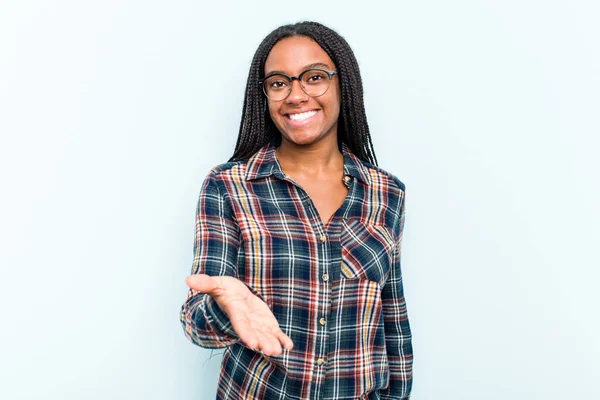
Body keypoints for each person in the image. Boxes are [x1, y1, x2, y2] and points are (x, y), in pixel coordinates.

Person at [180, 21, 413, 400]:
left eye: (314, 77)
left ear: (343, 84)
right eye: (278, 83)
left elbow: (394, 322)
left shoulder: (387, 193)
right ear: (266, 96)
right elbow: (196, 325)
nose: (296, 95)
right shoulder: (229, 186)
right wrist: (226, 308)